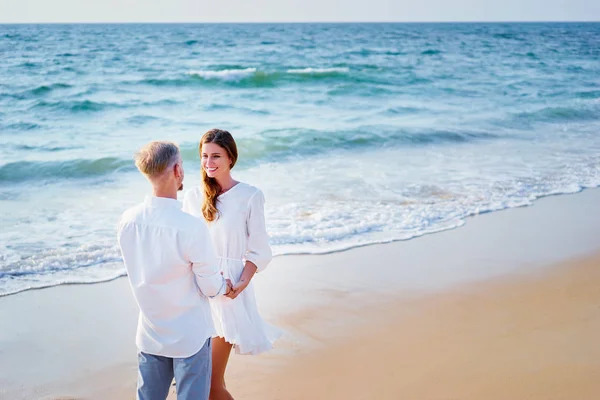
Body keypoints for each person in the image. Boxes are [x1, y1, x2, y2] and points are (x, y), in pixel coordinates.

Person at [117, 141, 232, 400]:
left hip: (150, 333)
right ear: (177, 170)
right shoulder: (191, 227)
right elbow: (211, 287)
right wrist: (227, 284)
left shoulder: (127, 221)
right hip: (190, 336)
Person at [183, 129, 281, 400]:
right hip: (200, 290)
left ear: (230, 158)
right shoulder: (193, 197)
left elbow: (258, 249)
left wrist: (242, 282)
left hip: (229, 294)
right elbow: (186, 247)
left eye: (216, 156)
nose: (208, 162)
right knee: (212, 382)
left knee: (208, 385)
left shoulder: (250, 195)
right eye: (204, 156)